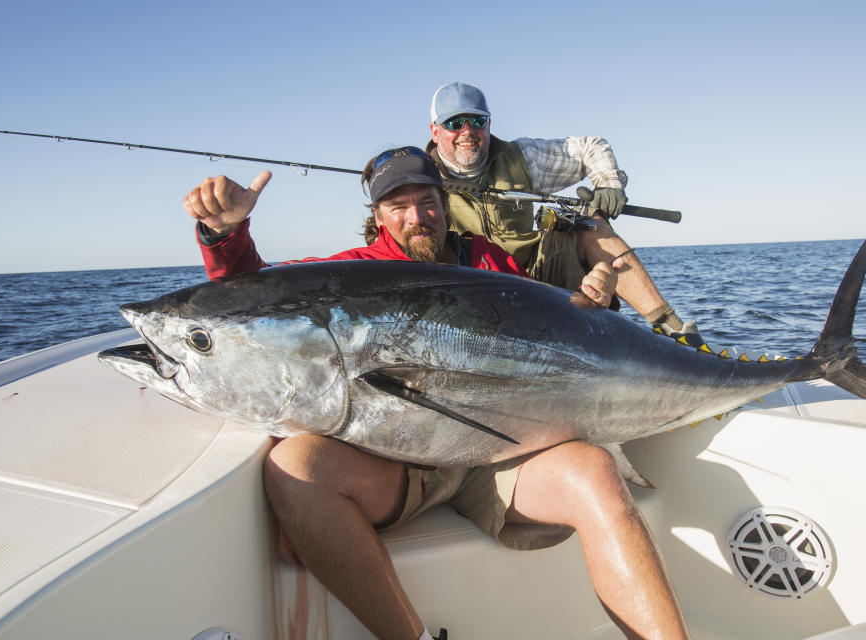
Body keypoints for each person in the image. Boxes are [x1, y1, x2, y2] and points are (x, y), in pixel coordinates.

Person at [183, 148, 692, 640]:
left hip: (497, 456)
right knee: (295, 467)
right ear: (379, 216)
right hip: (395, 464)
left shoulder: (489, 263)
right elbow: (264, 307)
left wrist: (591, 306)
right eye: (397, 207)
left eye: (426, 201)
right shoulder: (357, 271)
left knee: (595, 472)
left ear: (444, 203)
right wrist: (225, 234)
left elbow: (549, 347)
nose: (416, 217)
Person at [426, 81, 700, 341]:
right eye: (454, 123)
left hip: (534, 271)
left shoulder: (523, 156)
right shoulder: (418, 175)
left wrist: (608, 184)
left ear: (489, 124)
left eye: (477, 121)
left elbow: (591, 148)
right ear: (435, 131)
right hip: (473, 288)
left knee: (591, 226)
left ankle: (675, 332)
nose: (467, 131)